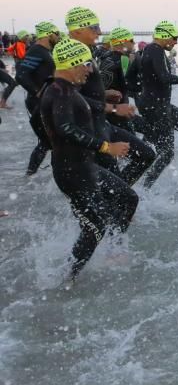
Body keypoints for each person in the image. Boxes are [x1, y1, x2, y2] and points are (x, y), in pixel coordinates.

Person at [39, 38, 138, 280]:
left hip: (85, 167)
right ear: (72, 63)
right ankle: (67, 278)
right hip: (72, 172)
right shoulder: (59, 91)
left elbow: (39, 122)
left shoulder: (65, 89)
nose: (91, 69)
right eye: (86, 63)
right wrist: (106, 147)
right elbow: (65, 129)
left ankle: (114, 251)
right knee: (95, 227)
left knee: (128, 198)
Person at [65, 7, 154, 186]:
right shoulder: (70, 55)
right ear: (77, 30)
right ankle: (119, 199)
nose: (99, 32)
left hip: (103, 123)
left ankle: (122, 195)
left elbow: (80, 89)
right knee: (110, 179)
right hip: (91, 127)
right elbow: (68, 95)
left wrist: (104, 94)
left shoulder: (87, 51)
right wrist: (112, 107)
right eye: (94, 27)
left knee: (146, 155)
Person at [136, 20, 178, 189]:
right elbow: (165, 78)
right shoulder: (155, 50)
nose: (176, 42)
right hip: (156, 107)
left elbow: (132, 76)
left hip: (156, 105)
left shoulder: (149, 51)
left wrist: (138, 97)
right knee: (166, 153)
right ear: (165, 36)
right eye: (174, 38)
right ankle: (144, 189)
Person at [16, 21, 61, 175]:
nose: (59, 36)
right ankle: (38, 172)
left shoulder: (45, 51)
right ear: (49, 34)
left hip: (46, 101)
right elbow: (21, 75)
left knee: (51, 140)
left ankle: (34, 171)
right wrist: (37, 91)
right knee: (50, 140)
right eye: (57, 33)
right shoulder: (37, 50)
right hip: (38, 102)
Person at [98, 27, 146, 134]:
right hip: (116, 115)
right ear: (122, 42)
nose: (134, 43)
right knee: (139, 145)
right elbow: (129, 86)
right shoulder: (121, 60)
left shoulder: (107, 58)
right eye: (131, 41)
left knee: (149, 130)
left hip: (116, 111)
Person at [1, 31, 29, 106]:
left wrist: (13, 54)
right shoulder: (20, 44)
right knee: (15, 82)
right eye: (26, 37)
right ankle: (3, 101)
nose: (27, 38)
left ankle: (3, 99)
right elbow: (22, 56)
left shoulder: (18, 44)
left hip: (18, 63)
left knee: (16, 82)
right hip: (21, 64)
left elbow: (9, 50)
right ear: (21, 37)